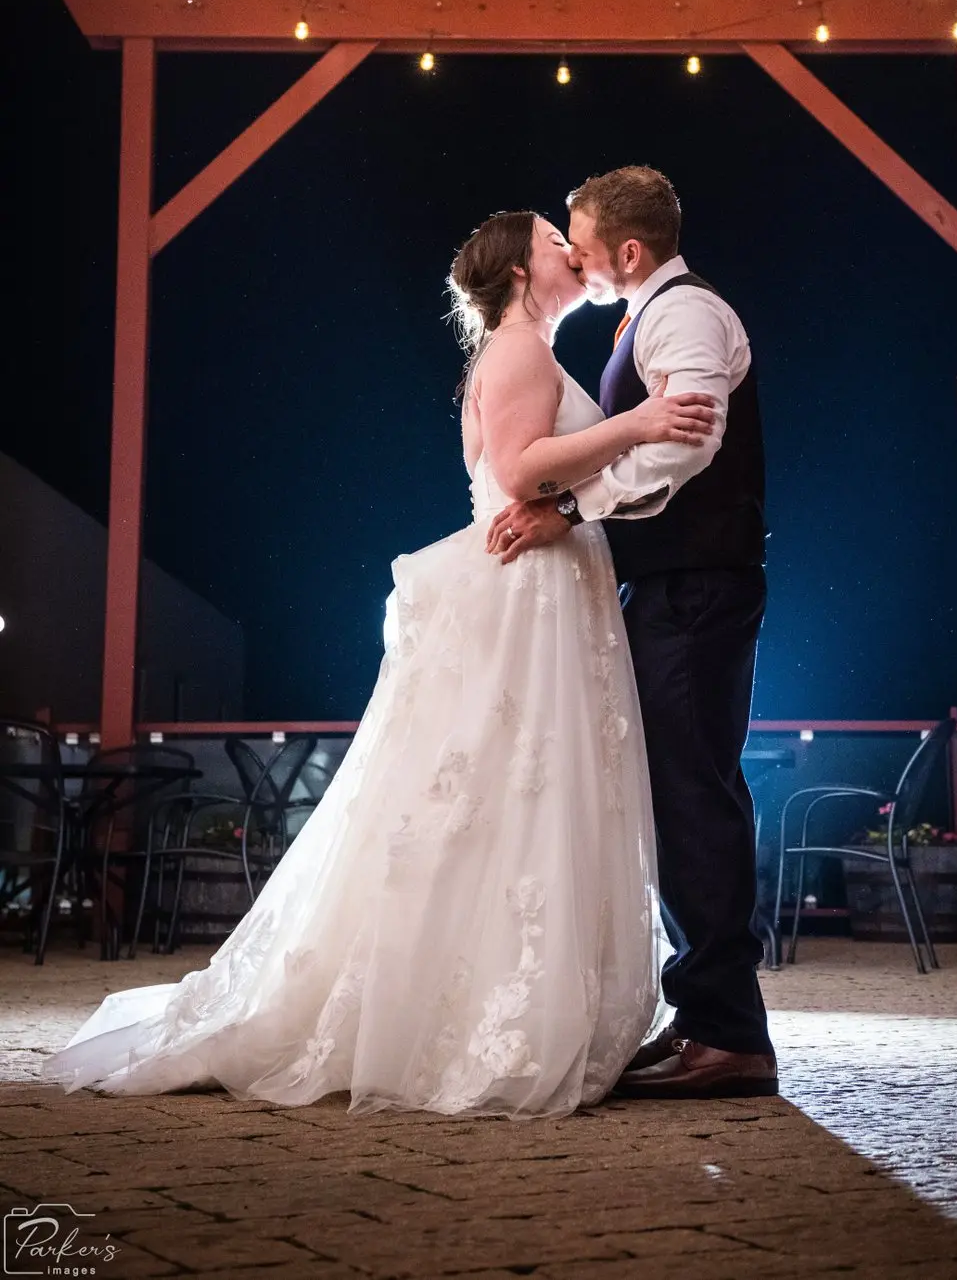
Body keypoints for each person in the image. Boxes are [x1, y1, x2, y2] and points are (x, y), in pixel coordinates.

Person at [41, 211, 718, 1119]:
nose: (567, 248)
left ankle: (495, 992)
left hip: (551, 585)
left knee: (512, 797)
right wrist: (637, 422)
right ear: (521, 272)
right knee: (506, 789)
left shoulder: (527, 349)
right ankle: (469, 1010)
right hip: (531, 590)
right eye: (551, 240)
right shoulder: (519, 349)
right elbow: (521, 470)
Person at [487, 167, 778, 1098]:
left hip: (697, 584)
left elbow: (687, 442)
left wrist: (574, 508)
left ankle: (728, 1035)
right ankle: (703, 1015)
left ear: (626, 250)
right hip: (672, 584)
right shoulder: (645, 317)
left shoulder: (684, 313)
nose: (574, 263)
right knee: (679, 790)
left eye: (579, 247)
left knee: (693, 793)